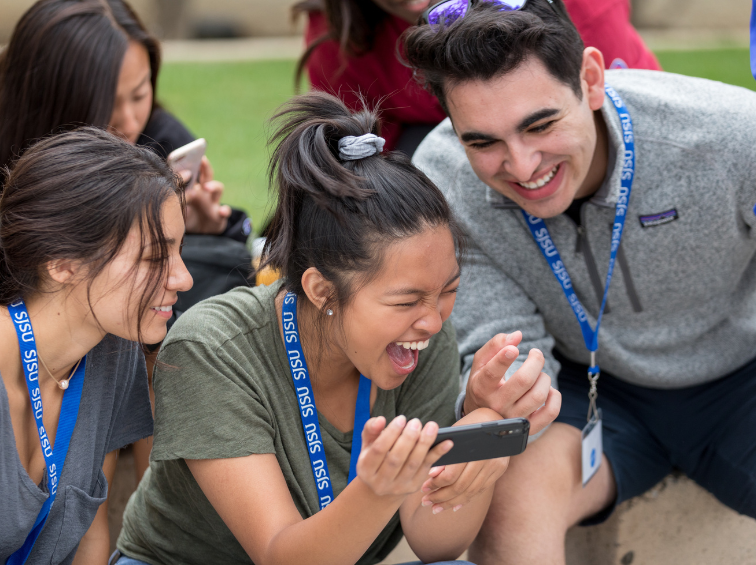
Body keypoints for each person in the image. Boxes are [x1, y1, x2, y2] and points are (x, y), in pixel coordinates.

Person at [112, 92, 560, 565]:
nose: (432, 320)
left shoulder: (423, 342)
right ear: (322, 290)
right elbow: (281, 556)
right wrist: (379, 489)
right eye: (406, 299)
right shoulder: (212, 349)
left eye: (448, 289)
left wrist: (479, 428)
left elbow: (437, 544)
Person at [401, 0, 756, 562]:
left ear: (591, 79)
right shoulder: (442, 175)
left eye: (540, 125)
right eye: (482, 142)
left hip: (741, 380)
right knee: (506, 503)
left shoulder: (731, 135)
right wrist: (497, 398)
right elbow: (499, 346)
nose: (520, 165)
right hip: (587, 388)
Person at [0, 127, 193, 564]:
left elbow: (85, 534)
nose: (183, 279)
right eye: (155, 257)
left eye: (179, 252)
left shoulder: (109, 347)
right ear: (62, 264)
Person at [0, 0, 250, 337]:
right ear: (48, 101)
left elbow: (216, 280)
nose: (130, 123)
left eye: (139, 93)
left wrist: (203, 231)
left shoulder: (156, 136)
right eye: (105, 108)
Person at [294, 0, 660, 156]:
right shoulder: (341, 35)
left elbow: (642, 129)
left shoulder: (580, 11)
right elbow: (358, 169)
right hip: (447, 170)